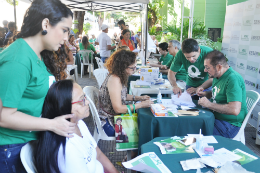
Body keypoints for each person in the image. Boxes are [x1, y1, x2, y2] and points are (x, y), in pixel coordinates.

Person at [0, 0, 75, 172]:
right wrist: (51, 124)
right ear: (46, 24)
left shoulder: (37, 54)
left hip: (26, 143)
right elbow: (3, 116)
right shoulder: (18, 60)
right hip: (11, 149)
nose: (66, 38)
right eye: (64, 30)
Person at [33, 80, 119, 173]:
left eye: (85, 97)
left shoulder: (79, 124)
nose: (87, 102)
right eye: (82, 100)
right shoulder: (68, 149)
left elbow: (98, 154)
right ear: (65, 106)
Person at [98, 49, 153, 137]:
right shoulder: (115, 79)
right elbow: (118, 109)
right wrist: (141, 105)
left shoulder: (118, 76)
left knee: (142, 125)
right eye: (132, 68)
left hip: (113, 118)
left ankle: (134, 149)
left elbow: (121, 95)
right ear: (122, 66)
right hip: (109, 122)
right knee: (141, 130)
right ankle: (134, 149)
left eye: (135, 67)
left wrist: (139, 98)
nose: (134, 70)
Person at [197, 50, 247, 138]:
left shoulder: (233, 79)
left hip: (229, 125)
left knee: (195, 132)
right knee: (192, 123)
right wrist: (206, 94)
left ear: (219, 67)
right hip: (216, 118)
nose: (205, 70)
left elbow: (234, 110)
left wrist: (208, 104)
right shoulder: (218, 75)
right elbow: (218, 94)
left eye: (207, 67)